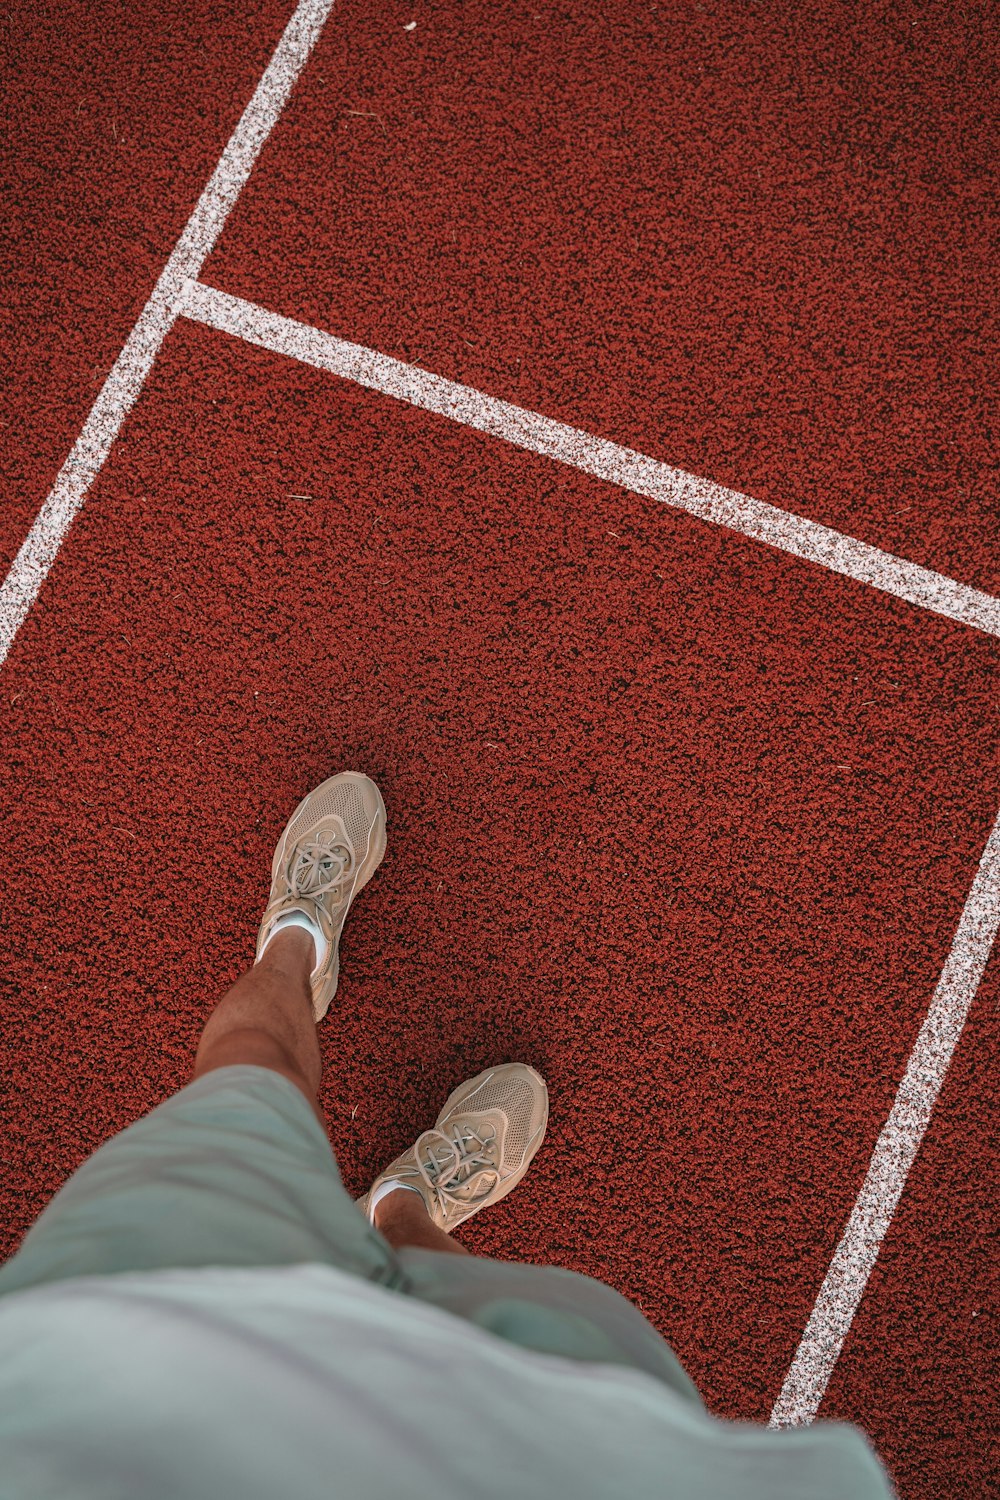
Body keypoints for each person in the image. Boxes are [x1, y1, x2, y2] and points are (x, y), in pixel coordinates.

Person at [0, 772, 893, 1498]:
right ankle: (402, 1203)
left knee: (248, 1066)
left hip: (95, 1359)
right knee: (449, 1285)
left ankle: (297, 939)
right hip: (508, 1452)